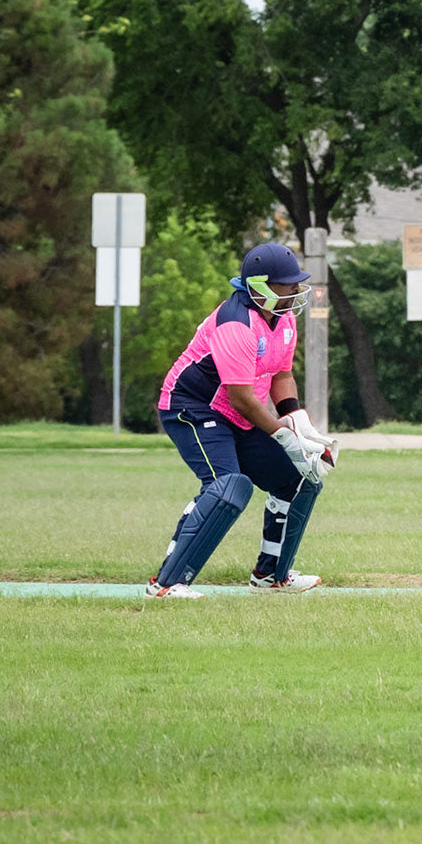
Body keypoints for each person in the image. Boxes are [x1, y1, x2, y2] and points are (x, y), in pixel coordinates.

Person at [145, 242, 338, 599]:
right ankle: (166, 584)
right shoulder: (235, 323)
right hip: (192, 408)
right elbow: (242, 397)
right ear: (260, 286)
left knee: (299, 481)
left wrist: (300, 425)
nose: (296, 289)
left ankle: (271, 576)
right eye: (288, 284)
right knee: (228, 487)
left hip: (237, 414)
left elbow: (281, 375)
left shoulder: (283, 318)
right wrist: (284, 436)